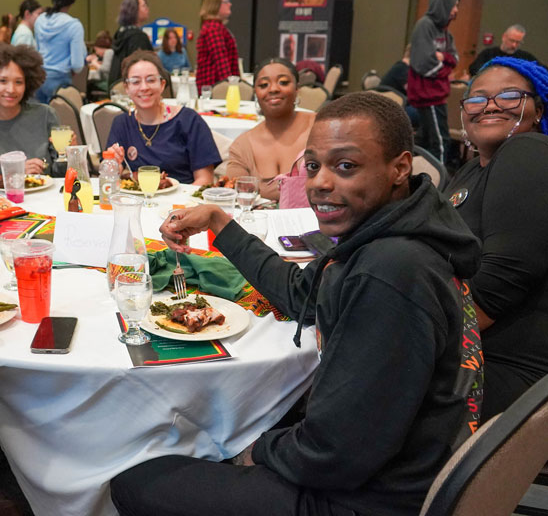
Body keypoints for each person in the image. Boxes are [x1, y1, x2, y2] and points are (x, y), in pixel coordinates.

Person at [112, 92, 481, 516]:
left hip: (367, 498)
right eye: (313, 166)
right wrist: (220, 222)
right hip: (376, 463)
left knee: (134, 480)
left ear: (399, 168)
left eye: (346, 166)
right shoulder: (388, 231)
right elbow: (300, 291)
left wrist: (253, 453)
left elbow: (334, 452)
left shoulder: (390, 271)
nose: (320, 182)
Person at [444, 56, 548, 420]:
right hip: (469, 349)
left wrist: (411, 331)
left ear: (538, 110)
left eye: (508, 96)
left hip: (507, 373)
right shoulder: (471, 171)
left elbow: (503, 280)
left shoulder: (529, 152)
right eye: (477, 98)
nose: (489, 106)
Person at [106, 51, 219, 185]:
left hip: (184, 202)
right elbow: (110, 178)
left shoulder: (188, 120)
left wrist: (181, 205)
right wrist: (113, 163)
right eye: (136, 82)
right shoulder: (122, 123)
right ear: (127, 88)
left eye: (151, 80)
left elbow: (204, 180)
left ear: (162, 84)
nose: (144, 87)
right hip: (137, 202)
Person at [0, 43, 69, 183]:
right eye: (3, 81)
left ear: (27, 85)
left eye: (18, 82)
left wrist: (68, 154)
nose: (11, 89)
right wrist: (15, 174)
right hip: (1, 203)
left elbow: (61, 176)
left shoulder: (46, 115)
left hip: (46, 199)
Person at [226, 58, 315, 201]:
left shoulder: (320, 128)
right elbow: (235, 195)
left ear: (297, 88)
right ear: (255, 92)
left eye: (283, 82)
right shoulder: (242, 146)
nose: (273, 89)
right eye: (263, 85)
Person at [407, 0, 461, 164]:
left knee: (424, 140)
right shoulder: (425, 25)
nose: (456, 10)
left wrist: (443, 59)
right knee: (440, 142)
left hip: (438, 94)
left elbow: (455, 58)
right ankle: (440, 183)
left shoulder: (446, 31)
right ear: (443, 5)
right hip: (428, 95)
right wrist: (445, 68)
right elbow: (425, 64)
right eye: (454, 5)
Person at [34, 0, 86, 103]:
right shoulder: (74, 26)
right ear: (73, 0)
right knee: (59, 122)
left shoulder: (39, 20)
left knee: (40, 120)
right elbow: (77, 65)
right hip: (60, 82)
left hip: (38, 79)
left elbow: (37, 51)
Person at [195, 0, 239, 89]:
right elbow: (220, 59)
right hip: (215, 85)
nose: (230, 4)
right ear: (216, 5)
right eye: (226, 2)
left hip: (214, 84)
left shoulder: (214, 27)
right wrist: (230, 86)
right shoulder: (213, 29)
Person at [108, 0, 153, 84]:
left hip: (117, 83)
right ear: (134, 10)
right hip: (133, 85)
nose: (147, 9)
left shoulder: (120, 33)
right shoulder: (138, 37)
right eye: (144, 6)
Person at [467, 24, 539, 77]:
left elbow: (542, 70)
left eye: (518, 42)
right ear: (504, 37)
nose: (514, 45)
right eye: (512, 41)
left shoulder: (525, 57)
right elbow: (473, 69)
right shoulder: (488, 53)